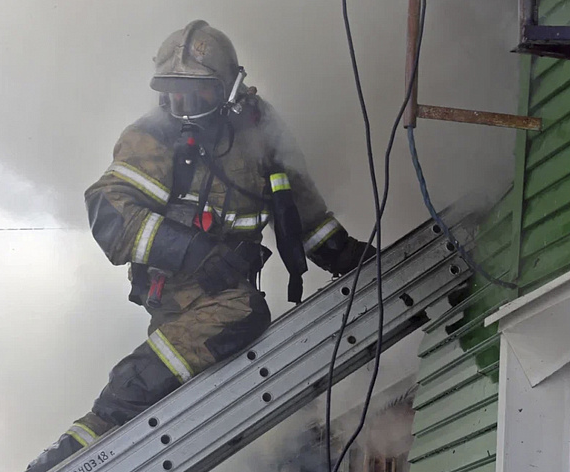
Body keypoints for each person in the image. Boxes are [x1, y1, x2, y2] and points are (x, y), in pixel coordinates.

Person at [26, 19, 375, 471]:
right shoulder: (153, 137)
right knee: (241, 315)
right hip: (180, 288)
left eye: (199, 94)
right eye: (175, 95)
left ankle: (100, 428)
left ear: (230, 89)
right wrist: (191, 250)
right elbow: (109, 211)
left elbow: (301, 212)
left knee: (183, 387)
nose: (185, 107)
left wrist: (349, 256)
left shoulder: (261, 132)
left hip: (224, 287)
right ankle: (88, 436)